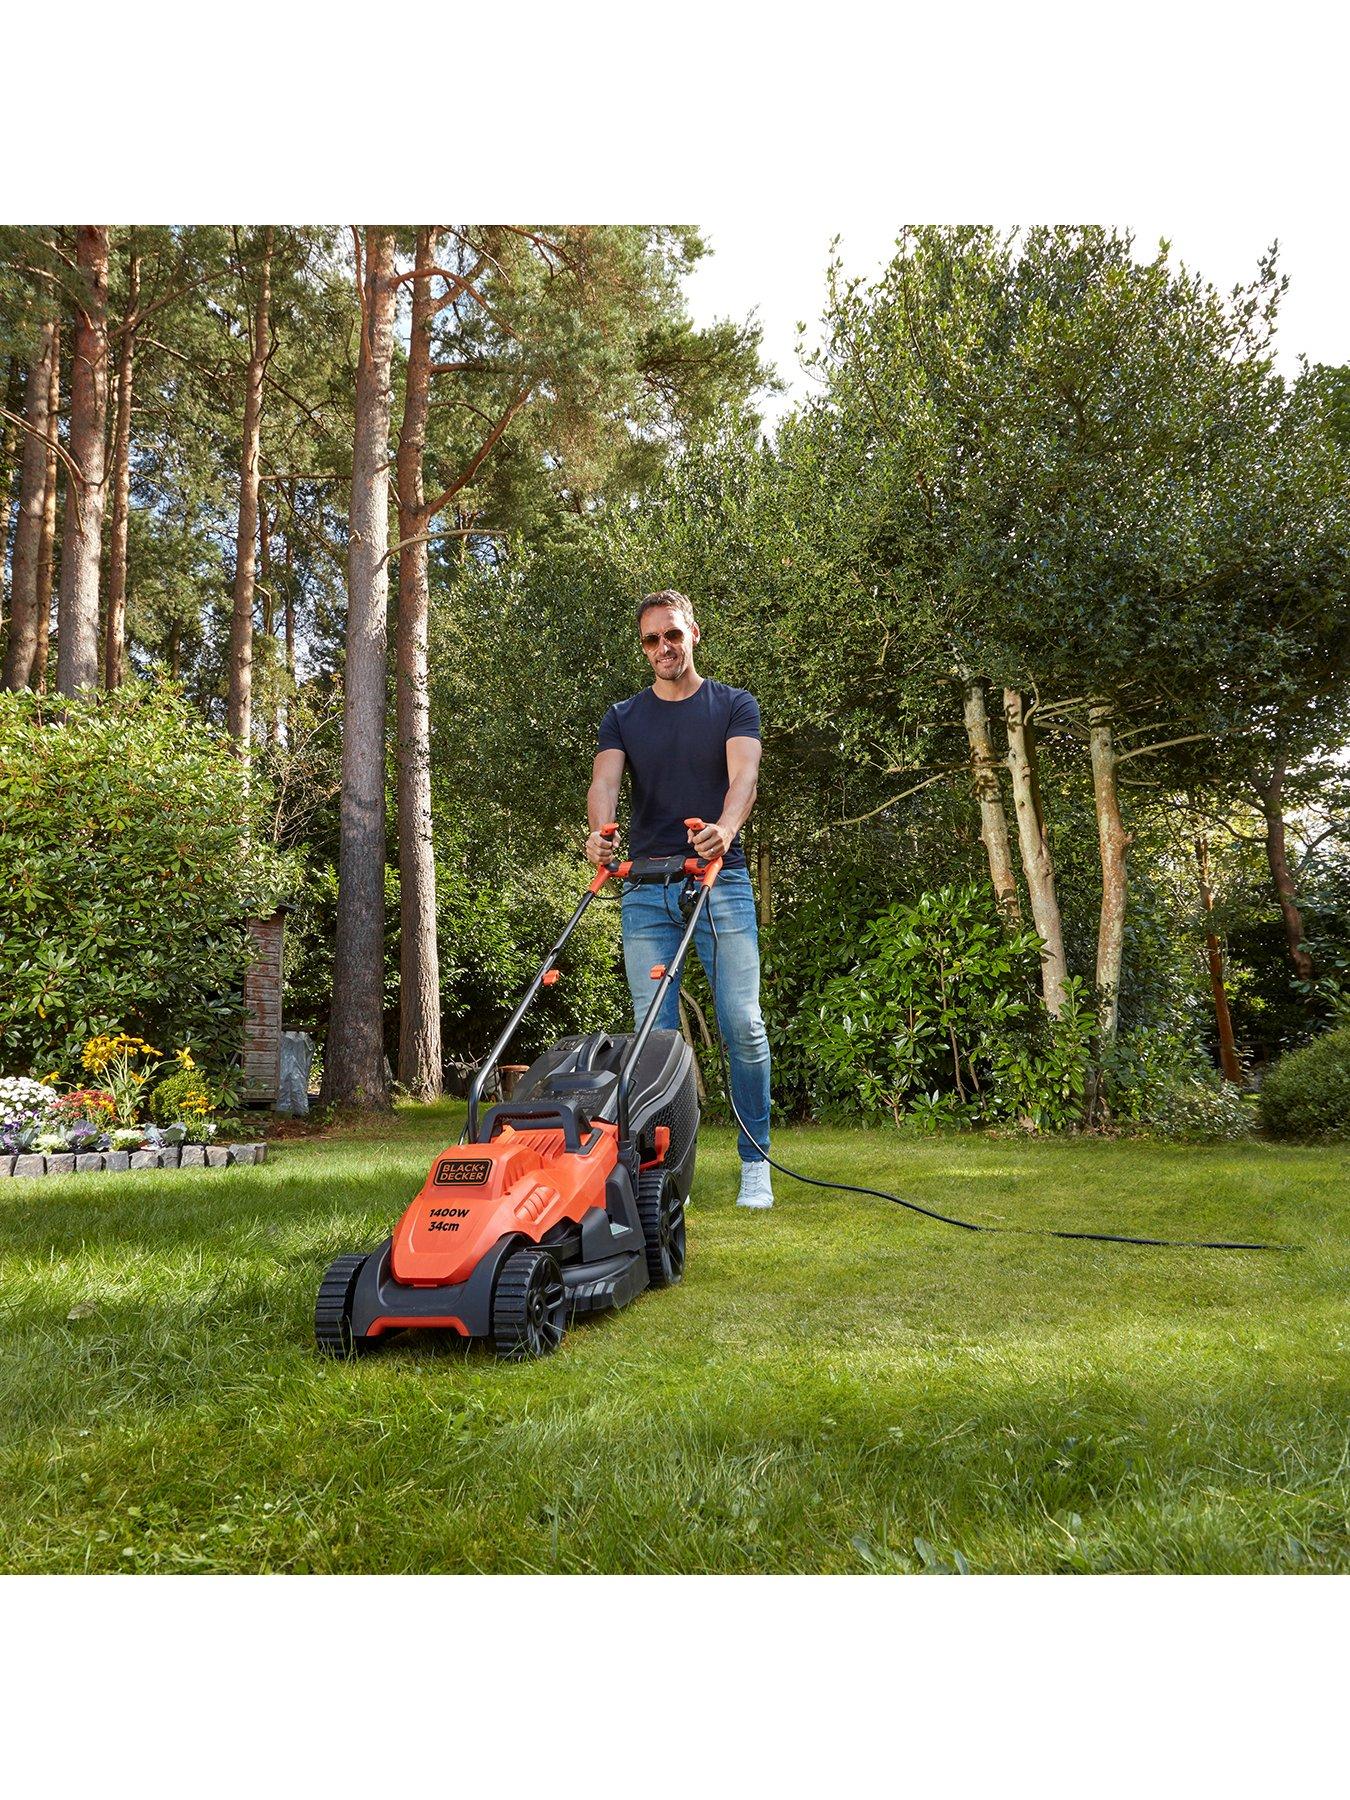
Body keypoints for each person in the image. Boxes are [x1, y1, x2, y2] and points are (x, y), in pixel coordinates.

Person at [585, 589, 773, 1209]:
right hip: (646, 890)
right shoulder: (623, 716)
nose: (663, 648)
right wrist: (600, 835)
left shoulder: (732, 705)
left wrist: (726, 827)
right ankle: (668, 1176)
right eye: (651, 640)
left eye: (672, 635)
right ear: (644, 649)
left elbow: (744, 775)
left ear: (693, 634)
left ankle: (756, 1165)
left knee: (741, 1024)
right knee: (656, 1039)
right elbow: (605, 783)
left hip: (720, 884)